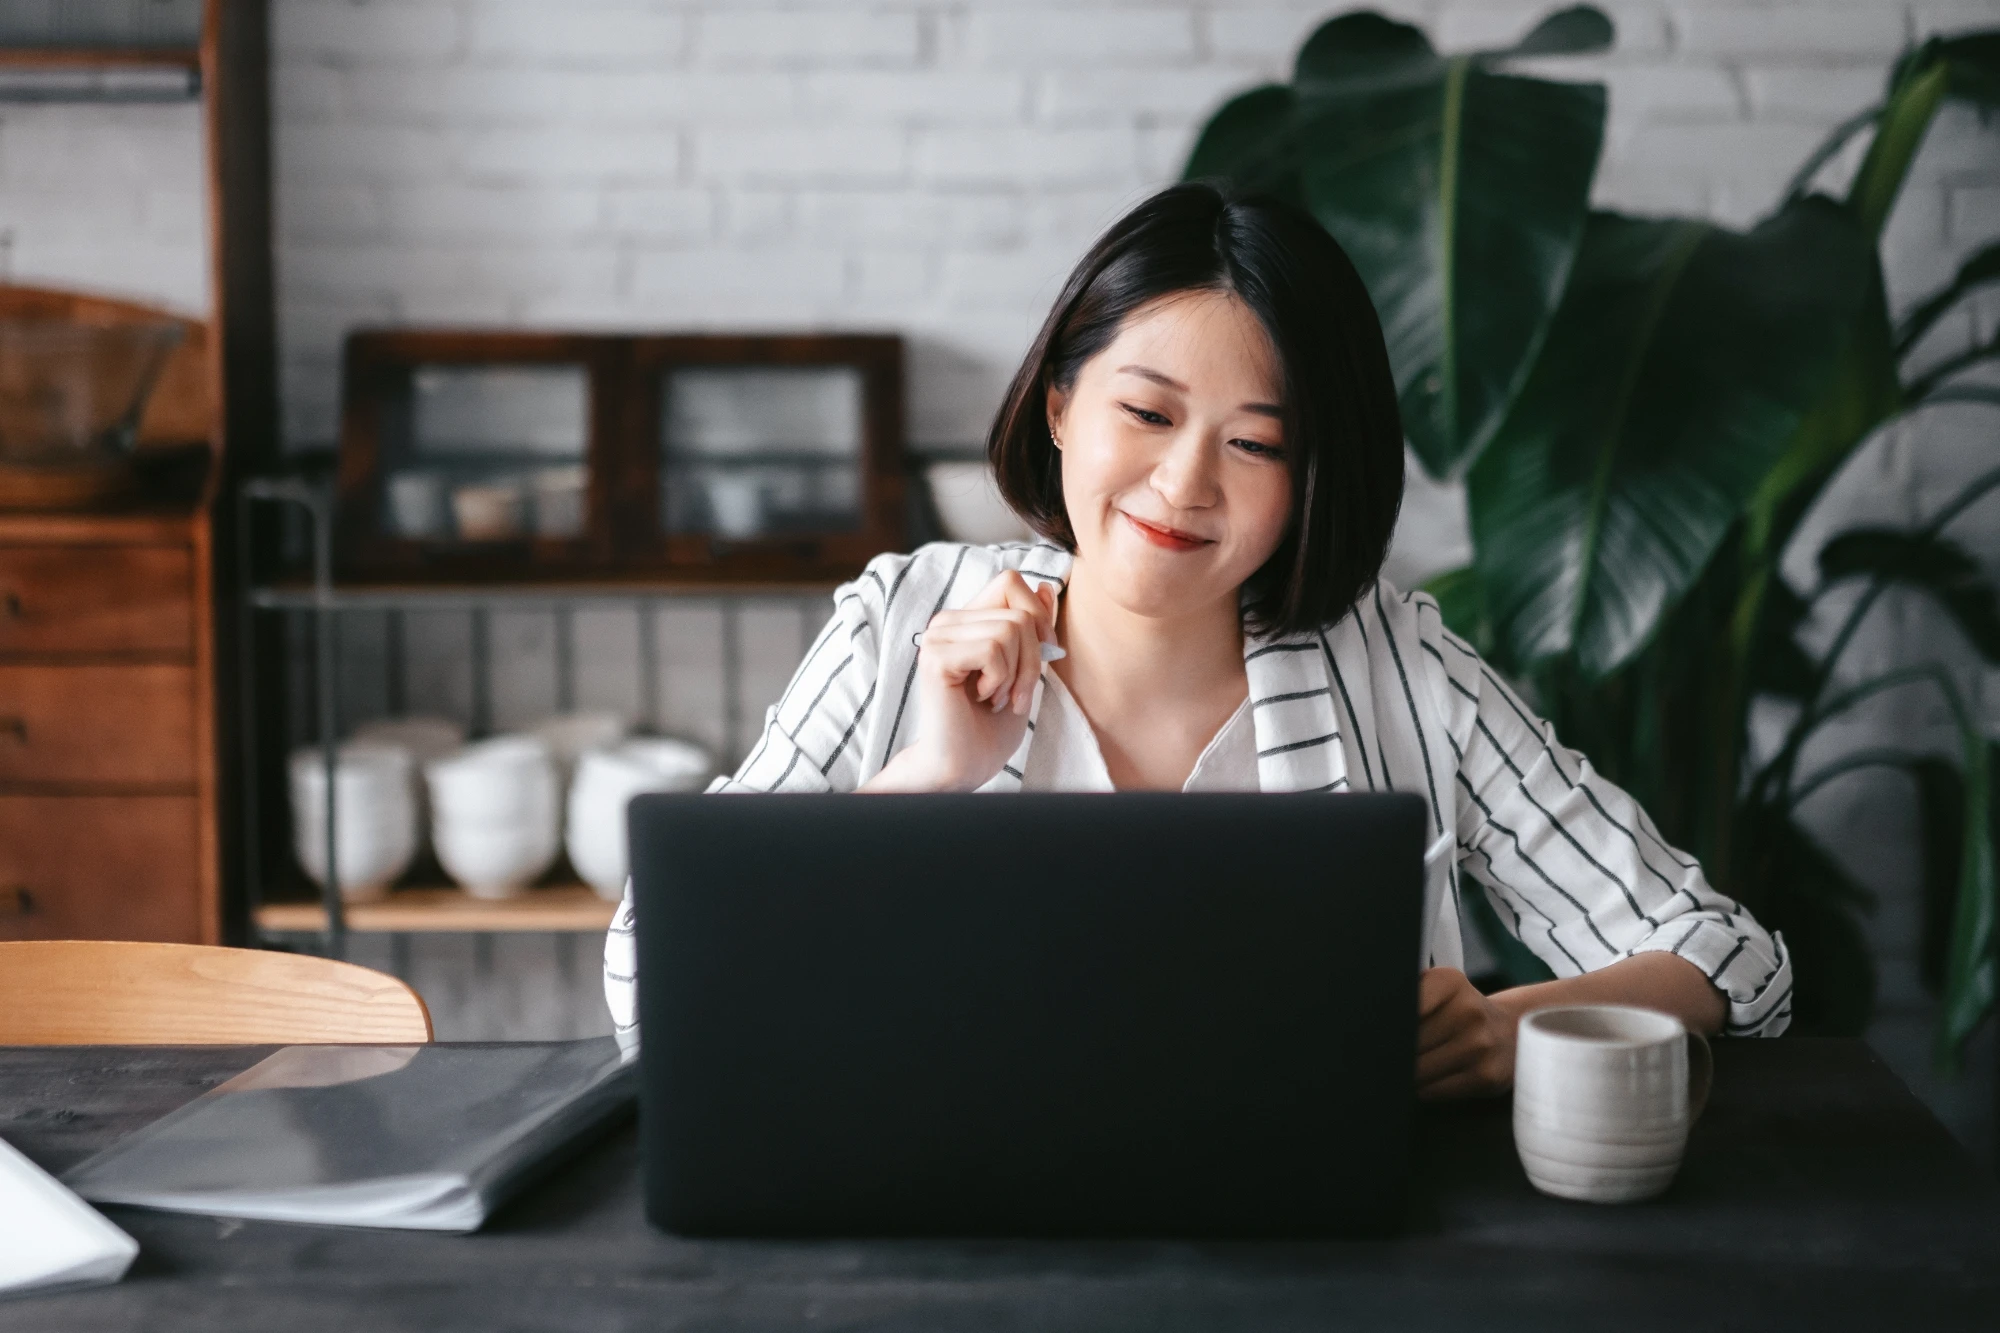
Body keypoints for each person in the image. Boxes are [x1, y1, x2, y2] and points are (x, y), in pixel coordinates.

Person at [604, 181, 1791, 1096]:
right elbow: (654, 980)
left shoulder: (1396, 665)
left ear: (1309, 477)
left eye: (1256, 443)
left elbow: (1727, 957)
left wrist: (1502, 1025)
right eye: (1147, 412)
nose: (1183, 486)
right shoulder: (901, 625)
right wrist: (924, 779)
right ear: (1060, 405)